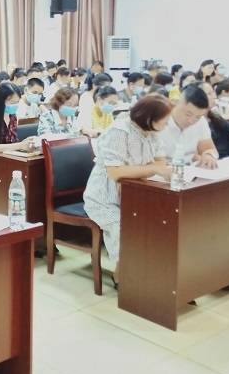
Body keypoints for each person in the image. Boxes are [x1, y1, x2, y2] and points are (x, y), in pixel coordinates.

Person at [84, 96, 173, 266]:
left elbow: (160, 162)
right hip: (104, 198)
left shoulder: (152, 133)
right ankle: (124, 274)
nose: (167, 124)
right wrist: (152, 169)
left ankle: (150, 270)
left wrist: (151, 168)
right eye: (165, 120)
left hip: (135, 195)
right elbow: (116, 172)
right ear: (150, 118)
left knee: (161, 221)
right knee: (124, 228)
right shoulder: (120, 131)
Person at [0, 83, 36, 188]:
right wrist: (20, 145)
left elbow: (12, 142)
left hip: (10, 163)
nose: (15, 105)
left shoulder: (12, 116)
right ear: (1, 101)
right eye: (12, 102)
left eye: (17, 102)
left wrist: (24, 143)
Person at [156, 84, 219, 168]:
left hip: (189, 170)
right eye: (188, 114)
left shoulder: (201, 121)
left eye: (197, 117)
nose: (191, 121)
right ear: (176, 103)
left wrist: (208, 155)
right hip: (162, 171)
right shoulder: (158, 121)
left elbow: (209, 148)